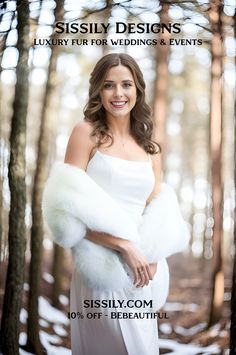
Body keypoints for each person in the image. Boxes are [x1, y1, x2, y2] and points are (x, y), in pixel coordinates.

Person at [42, 53, 190, 355]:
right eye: (109, 85)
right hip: (100, 270)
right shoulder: (85, 134)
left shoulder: (151, 147)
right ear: (98, 89)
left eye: (126, 84)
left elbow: (155, 207)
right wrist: (125, 246)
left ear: (138, 89)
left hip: (143, 274)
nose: (118, 94)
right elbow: (66, 214)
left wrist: (151, 252)